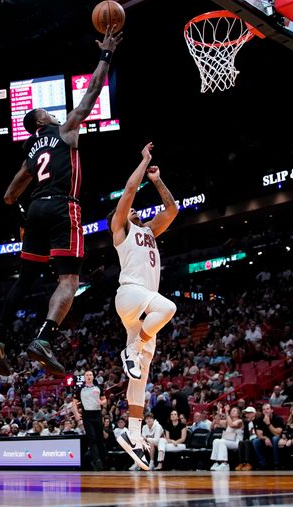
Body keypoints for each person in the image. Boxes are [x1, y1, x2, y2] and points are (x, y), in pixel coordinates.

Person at [0, 27, 124, 377]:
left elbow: (9, 194)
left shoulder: (31, 152)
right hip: (62, 206)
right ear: (43, 120)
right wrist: (106, 54)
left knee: (26, 277)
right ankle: (44, 338)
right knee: (69, 280)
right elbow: (91, 93)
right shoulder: (65, 130)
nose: (55, 113)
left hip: (35, 211)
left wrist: (24, 209)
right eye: (49, 111)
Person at [105, 143, 178, 469]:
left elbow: (172, 210)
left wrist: (158, 180)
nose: (134, 209)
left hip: (142, 308)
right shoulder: (121, 229)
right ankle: (131, 353)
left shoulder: (148, 231)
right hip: (132, 295)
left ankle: (133, 433)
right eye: (128, 209)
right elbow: (131, 190)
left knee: (141, 378)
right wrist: (144, 161)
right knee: (169, 309)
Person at [72, 370, 107, 471]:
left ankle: (102, 459)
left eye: (90, 375)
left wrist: (102, 402)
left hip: (97, 414)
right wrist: (76, 414)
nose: (89, 376)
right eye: (87, 375)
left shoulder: (98, 387)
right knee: (92, 437)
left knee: (99, 438)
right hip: (87, 415)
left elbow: (105, 400)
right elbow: (74, 403)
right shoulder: (80, 389)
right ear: (84, 377)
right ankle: (97, 460)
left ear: (93, 377)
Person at [210, 406, 243, 471]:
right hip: (229, 439)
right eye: (231, 411)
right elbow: (217, 421)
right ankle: (216, 462)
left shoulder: (240, 421)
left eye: (234, 411)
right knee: (216, 441)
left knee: (222, 441)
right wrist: (219, 411)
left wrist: (227, 413)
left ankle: (224, 463)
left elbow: (232, 425)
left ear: (238, 414)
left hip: (237, 442)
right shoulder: (228, 421)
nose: (232, 412)